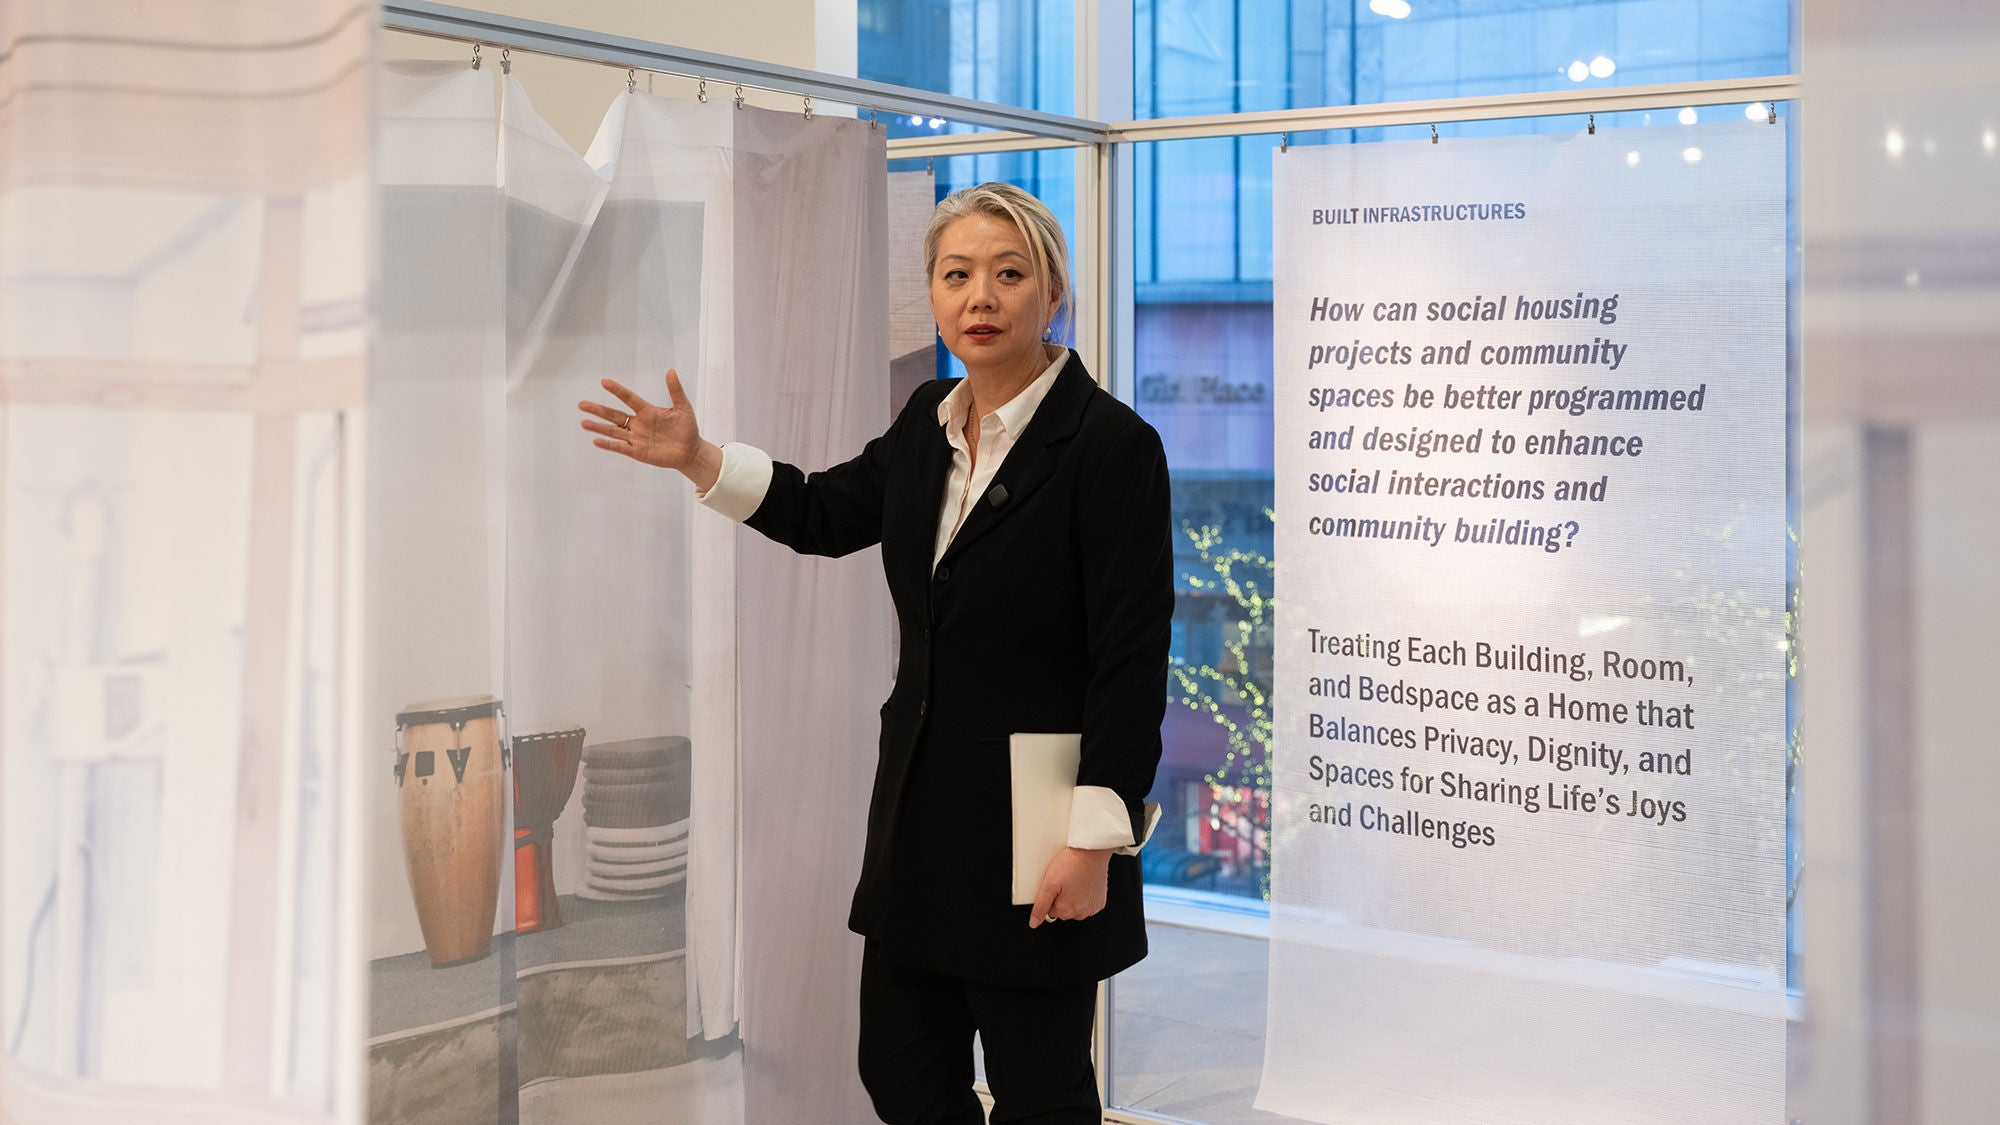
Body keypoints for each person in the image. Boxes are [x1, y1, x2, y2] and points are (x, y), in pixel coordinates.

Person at [577, 182, 1172, 1125]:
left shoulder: (1112, 447)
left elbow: (1131, 658)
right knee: (898, 1070)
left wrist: (1094, 840)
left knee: (1040, 1091)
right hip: (921, 817)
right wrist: (700, 459)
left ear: (1051, 293)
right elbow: (819, 509)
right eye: (957, 274)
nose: (981, 297)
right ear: (933, 294)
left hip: (1042, 820)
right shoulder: (927, 421)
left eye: (1008, 275)